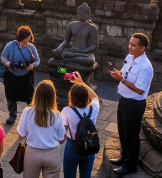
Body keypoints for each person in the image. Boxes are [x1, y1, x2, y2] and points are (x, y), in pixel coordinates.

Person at [109, 33, 153, 175]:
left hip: (134, 104)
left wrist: (121, 79)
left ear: (142, 48)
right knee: (123, 132)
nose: (130, 47)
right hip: (123, 100)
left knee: (131, 135)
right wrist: (118, 73)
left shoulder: (145, 67)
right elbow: (125, 72)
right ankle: (124, 157)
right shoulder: (129, 57)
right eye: (129, 43)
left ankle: (130, 165)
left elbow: (140, 90)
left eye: (133, 45)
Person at [16, 80, 66, 178]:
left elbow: (21, 135)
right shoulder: (57, 115)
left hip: (32, 153)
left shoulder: (27, 112)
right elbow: (61, 139)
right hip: (52, 154)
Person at [61, 72, 100, 178]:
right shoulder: (94, 108)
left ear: (71, 97)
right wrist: (81, 82)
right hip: (89, 145)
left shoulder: (67, 111)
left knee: (69, 175)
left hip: (72, 146)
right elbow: (95, 97)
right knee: (86, 175)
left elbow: (63, 131)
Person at [1, 25, 40, 124]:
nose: (29, 39)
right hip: (12, 75)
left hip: (26, 76)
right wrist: (7, 63)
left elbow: (37, 60)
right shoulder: (10, 45)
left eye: (29, 37)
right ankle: (12, 115)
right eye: (27, 37)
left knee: (30, 96)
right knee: (11, 96)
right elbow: (3, 57)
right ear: (21, 37)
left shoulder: (31, 47)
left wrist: (33, 65)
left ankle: (31, 115)